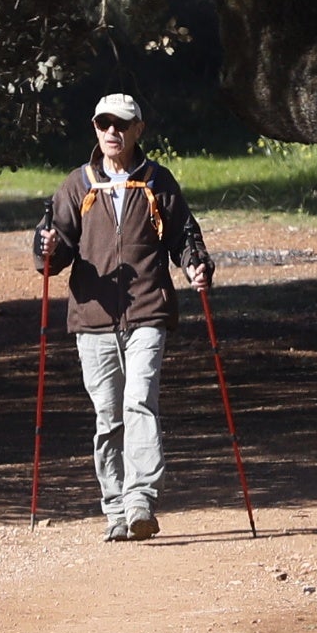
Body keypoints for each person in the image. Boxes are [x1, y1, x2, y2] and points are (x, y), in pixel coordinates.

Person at [33, 91, 212, 541]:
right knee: (108, 416)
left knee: (139, 402)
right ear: (95, 128)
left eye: (121, 124)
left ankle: (140, 503)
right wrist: (45, 247)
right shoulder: (78, 185)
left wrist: (196, 264)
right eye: (104, 124)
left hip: (148, 311)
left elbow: (184, 236)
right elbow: (53, 252)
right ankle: (115, 508)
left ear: (137, 130)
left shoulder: (157, 181)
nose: (112, 132)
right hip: (92, 318)